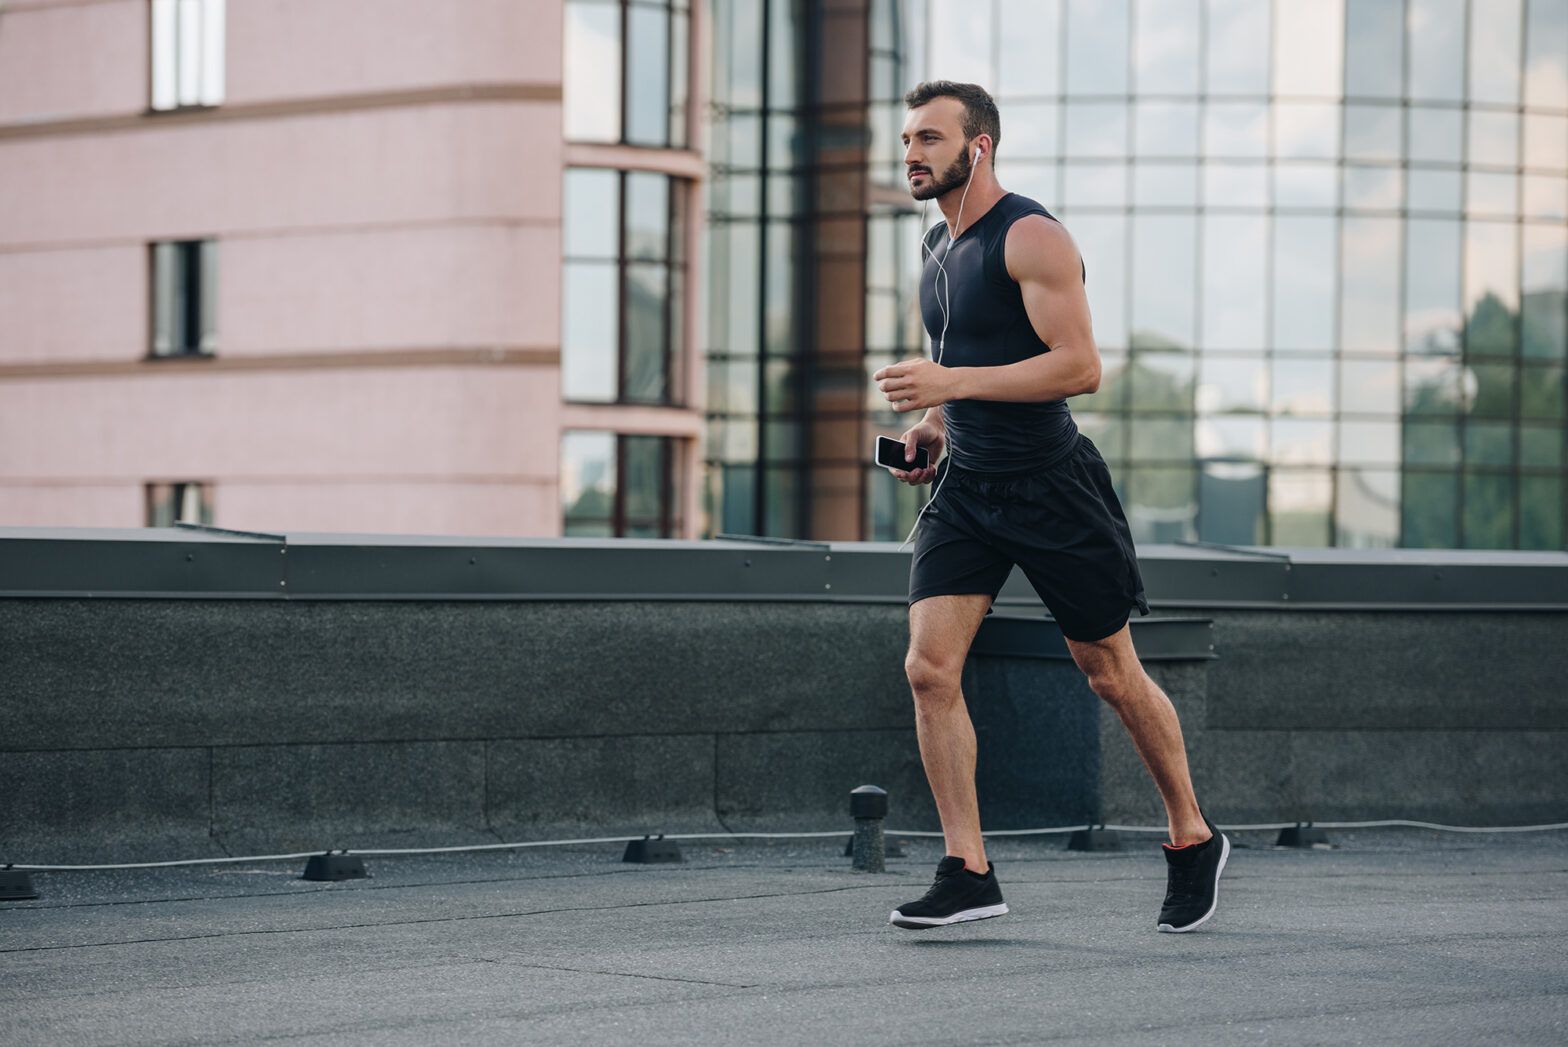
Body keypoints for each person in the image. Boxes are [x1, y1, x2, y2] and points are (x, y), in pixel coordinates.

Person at [873, 81, 1228, 934]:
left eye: (929, 138)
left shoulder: (1031, 235)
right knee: (929, 667)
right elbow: (964, 358)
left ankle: (1192, 835)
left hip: (1051, 485)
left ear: (979, 146)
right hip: (969, 492)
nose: (912, 153)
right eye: (907, 140)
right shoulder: (935, 243)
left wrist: (949, 385)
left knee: (1109, 669)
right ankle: (969, 868)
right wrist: (933, 424)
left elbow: (1078, 366)